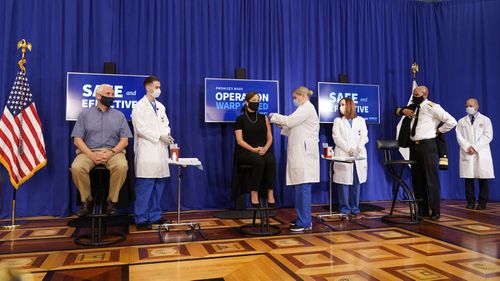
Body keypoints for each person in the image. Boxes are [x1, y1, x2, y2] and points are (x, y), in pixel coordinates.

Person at [71, 84, 132, 216]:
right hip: (89, 152)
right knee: (76, 167)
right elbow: (77, 140)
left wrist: (112, 152)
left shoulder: (119, 115)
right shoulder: (84, 114)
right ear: (98, 96)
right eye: (108, 94)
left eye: (112, 94)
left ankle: (111, 202)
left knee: (122, 166)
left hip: (113, 152)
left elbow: (124, 141)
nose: (112, 97)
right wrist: (91, 155)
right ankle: (87, 201)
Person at [399, 86, 457, 220]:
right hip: (414, 146)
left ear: (424, 95)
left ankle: (435, 210)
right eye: (413, 93)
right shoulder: (413, 107)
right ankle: (422, 209)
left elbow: (452, 121)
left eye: (416, 94)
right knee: (417, 180)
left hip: (427, 146)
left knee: (431, 180)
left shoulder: (432, 107)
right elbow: (398, 112)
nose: (414, 96)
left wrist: (439, 130)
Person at [269, 86, 320, 232]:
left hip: (305, 156)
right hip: (300, 154)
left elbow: (291, 121)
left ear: (302, 96)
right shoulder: (303, 109)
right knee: (299, 188)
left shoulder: (306, 108)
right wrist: (282, 124)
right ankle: (302, 218)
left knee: (303, 189)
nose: (294, 100)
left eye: (295, 97)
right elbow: (292, 126)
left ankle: (304, 222)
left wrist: (273, 117)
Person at [132, 76, 174, 230]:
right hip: (147, 150)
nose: (159, 89)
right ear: (148, 87)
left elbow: (166, 124)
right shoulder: (139, 106)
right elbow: (141, 129)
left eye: (159, 87)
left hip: (161, 150)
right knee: (145, 187)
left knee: (158, 186)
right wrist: (158, 136)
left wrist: (166, 135)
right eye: (156, 87)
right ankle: (141, 218)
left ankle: (154, 215)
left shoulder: (160, 106)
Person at [234, 92, 276, 207]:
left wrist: (265, 148)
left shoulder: (264, 118)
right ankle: (254, 192)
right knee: (259, 162)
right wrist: (253, 149)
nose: (256, 103)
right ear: (247, 103)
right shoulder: (240, 119)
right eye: (253, 100)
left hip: (263, 149)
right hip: (246, 151)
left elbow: (270, 137)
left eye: (258, 100)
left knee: (271, 161)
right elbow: (239, 140)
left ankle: (270, 192)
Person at [332, 98, 368, 219]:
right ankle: (344, 210)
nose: (340, 107)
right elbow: (336, 137)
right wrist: (349, 149)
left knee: (356, 183)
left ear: (350, 106)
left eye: (343, 104)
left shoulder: (361, 120)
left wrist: (358, 148)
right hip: (343, 154)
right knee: (343, 183)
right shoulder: (338, 121)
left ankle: (355, 209)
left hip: (358, 155)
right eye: (339, 105)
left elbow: (364, 136)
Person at [456, 98, 494, 210]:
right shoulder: (461, 121)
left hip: (481, 152)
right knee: (469, 179)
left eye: (471, 106)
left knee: (483, 178)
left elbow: (488, 136)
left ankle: (482, 202)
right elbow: (459, 136)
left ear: (477, 106)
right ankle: (470, 202)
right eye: (467, 106)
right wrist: (468, 147)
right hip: (467, 152)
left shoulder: (485, 120)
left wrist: (475, 147)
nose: (468, 108)